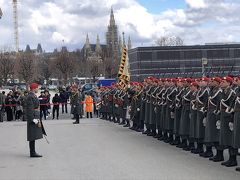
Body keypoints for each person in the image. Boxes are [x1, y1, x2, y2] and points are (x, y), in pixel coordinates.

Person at [25, 83, 47, 158]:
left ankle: (33, 151)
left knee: (33, 135)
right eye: (37, 88)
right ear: (34, 88)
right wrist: (33, 120)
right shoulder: (30, 97)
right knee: (32, 135)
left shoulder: (32, 95)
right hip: (33, 117)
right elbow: (29, 110)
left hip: (35, 116)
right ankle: (32, 152)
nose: (38, 89)